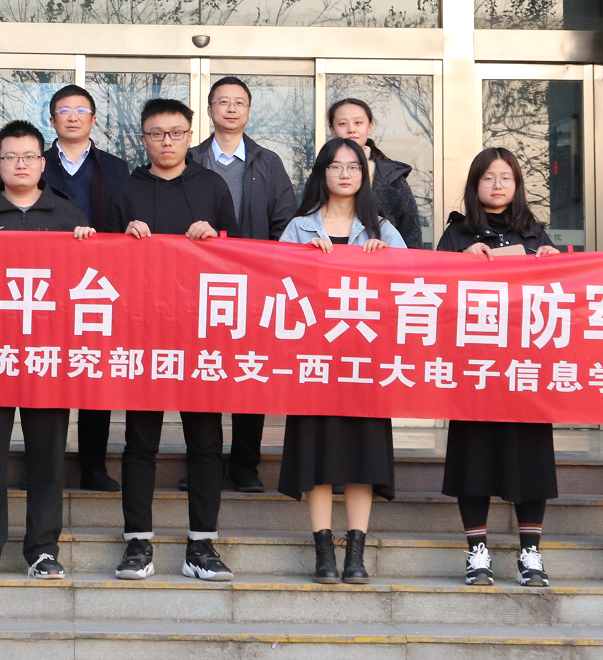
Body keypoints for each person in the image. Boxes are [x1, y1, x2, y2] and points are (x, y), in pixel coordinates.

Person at [100, 97, 238, 582]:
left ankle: (201, 545)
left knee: (206, 440)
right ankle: (138, 542)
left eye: (176, 133)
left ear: (189, 136)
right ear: (143, 138)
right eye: (157, 133)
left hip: (200, 334)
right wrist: (122, 240)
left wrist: (215, 238)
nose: (166, 141)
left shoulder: (213, 187)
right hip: (142, 333)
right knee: (140, 441)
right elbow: (99, 268)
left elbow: (237, 258)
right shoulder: (124, 192)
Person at [0, 120, 96, 580]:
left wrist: (89, 248)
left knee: (48, 457)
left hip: (47, 355)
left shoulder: (69, 216)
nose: (20, 165)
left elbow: (90, 283)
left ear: (43, 163)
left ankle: (42, 549)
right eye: (11, 157)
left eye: (29, 157)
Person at [277, 138, 403, 583]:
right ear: (322, 173)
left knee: (362, 457)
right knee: (317, 456)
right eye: (335, 166)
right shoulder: (298, 228)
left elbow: (412, 289)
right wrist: (302, 263)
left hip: (364, 363)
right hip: (314, 361)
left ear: (363, 175)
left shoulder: (382, 229)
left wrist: (385, 261)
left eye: (353, 166)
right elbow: (276, 289)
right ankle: (323, 550)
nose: (344, 173)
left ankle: (355, 551)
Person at [435, 146, 560, 588]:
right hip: (475, 368)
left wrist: (553, 262)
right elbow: (432, 297)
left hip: (525, 368)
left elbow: (560, 297)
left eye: (506, 177)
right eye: (488, 177)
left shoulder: (535, 233)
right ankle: (477, 552)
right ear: (475, 185)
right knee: (474, 457)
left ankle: (530, 553)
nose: (497, 185)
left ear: (517, 184)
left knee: (531, 457)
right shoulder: (456, 234)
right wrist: (458, 263)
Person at [189, 75, 297, 495]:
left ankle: (245, 466)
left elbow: (285, 224)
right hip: (199, 288)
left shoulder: (268, 162)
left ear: (248, 111)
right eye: (223, 102)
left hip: (255, 288)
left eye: (239, 102)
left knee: (250, 376)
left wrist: (268, 271)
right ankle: (204, 464)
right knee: (204, 375)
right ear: (210, 110)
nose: (231, 108)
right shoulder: (192, 159)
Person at [39, 83, 131, 493]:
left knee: (94, 372)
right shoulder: (37, 163)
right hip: (46, 282)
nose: (73, 116)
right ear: (52, 119)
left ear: (94, 119)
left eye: (81, 109)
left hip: (99, 284)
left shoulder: (115, 167)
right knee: (48, 371)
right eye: (64, 110)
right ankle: (46, 465)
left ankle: (93, 466)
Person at [328, 96, 424, 250]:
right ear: (332, 129)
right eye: (342, 124)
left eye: (358, 123)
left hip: (382, 261)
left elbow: (411, 235)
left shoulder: (391, 176)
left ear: (370, 127)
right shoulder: (322, 173)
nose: (351, 129)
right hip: (330, 259)